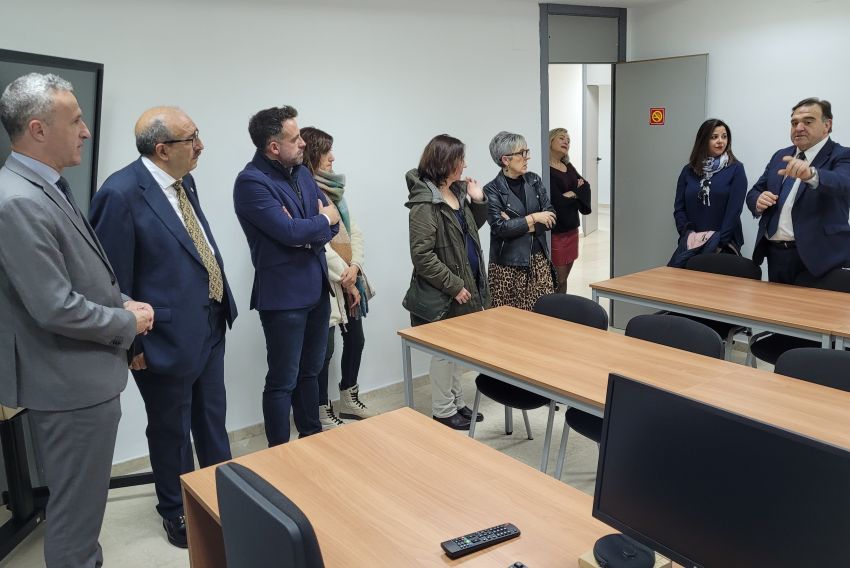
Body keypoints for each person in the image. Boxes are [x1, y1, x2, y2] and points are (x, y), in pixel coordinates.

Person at [0, 73, 153, 567]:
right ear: (39, 129)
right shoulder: (19, 200)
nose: (86, 130)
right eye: (76, 119)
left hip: (78, 377)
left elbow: (78, 276)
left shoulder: (40, 186)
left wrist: (121, 302)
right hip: (69, 386)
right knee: (76, 518)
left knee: (79, 509)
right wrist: (126, 322)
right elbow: (54, 306)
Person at [89, 107, 238, 548]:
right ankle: (176, 509)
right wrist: (131, 341)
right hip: (161, 335)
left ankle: (221, 495)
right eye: (192, 137)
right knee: (170, 428)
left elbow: (193, 244)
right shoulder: (119, 194)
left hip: (208, 321)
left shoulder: (183, 181)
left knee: (212, 418)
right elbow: (110, 278)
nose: (201, 144)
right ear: (162, 149)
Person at [233, 106, 340, 446]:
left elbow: (330, 223)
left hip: (316, 289)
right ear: (273, 147)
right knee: (283, 379)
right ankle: (277, 455)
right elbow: (292, 231)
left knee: (312, 372)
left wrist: (311, 227)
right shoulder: (251, 182)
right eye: (295, 139)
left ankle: (312, 439)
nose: (303, 144)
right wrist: (315, 223)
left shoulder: (302, 174)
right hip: (283, 299)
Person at [404, 134, 489, 430]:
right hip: (447, 292)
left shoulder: (457, 192)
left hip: (467, 284)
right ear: (445, 162)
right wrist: (454, 285)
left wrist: (478, 201)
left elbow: (469, 231)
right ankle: (442, 410)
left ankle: (457, 403)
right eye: (460, 159)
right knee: (443, 355)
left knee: (457, 351)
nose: (465, 164)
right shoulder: (425, 203)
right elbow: (422, 255)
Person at [300, 127, 375, 429]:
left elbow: (353, 231)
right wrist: (343, 274)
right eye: (326, 151)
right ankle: (321, 409)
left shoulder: (336, 193)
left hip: (349, 279)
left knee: (356, 339)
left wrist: (354, 267)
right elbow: (317, 240)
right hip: (327, 282)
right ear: (311, 155)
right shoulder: (305, 191)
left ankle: (348, 397)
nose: (333, 157)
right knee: (324, 351)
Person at [746, 98, 850, 284]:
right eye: (794, 123)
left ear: (827, 125)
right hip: (776, 254)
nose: (799, 127)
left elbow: (843, 182)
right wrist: (758, 200)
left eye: (808, 122)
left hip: (820, 258)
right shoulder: (780, 155)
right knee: (775, 311)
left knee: (814, 313)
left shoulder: (841, 155)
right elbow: (755, 190)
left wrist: (811, 174)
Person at [484, 131, 556, 309]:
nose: (527, 158)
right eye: (522, 153)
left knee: (540, 320)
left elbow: (551, 217)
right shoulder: (492, 190)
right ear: (505, 160)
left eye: (527, 152)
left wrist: (519, 224)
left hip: (539, 261)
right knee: (508, 326)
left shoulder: (534, 180)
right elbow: (500, 228)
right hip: (506, 267)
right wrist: (534, 217)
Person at [668, 118, 747, 267]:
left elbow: (734, 211)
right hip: (691, 243)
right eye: (714, 137)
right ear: (703, 140)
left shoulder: (736, 169)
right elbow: (679, 208)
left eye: (724, 136)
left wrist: (719, 241)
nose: (720, 141)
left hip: (723, 245)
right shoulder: (688, 171)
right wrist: (688, 235)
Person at [548, 128, 591, 292]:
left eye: (568, 140)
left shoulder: (568, 166)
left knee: (564, 279)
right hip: (557, 232)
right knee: (558, 279)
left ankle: (561, 310)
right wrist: (576, 193)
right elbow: (556, 200)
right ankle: (554, 310)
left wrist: (573, 192)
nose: (566, 141)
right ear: (550, 141)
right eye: (561, 138)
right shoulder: (546, 169)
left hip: (572, 229)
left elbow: (585, 186)